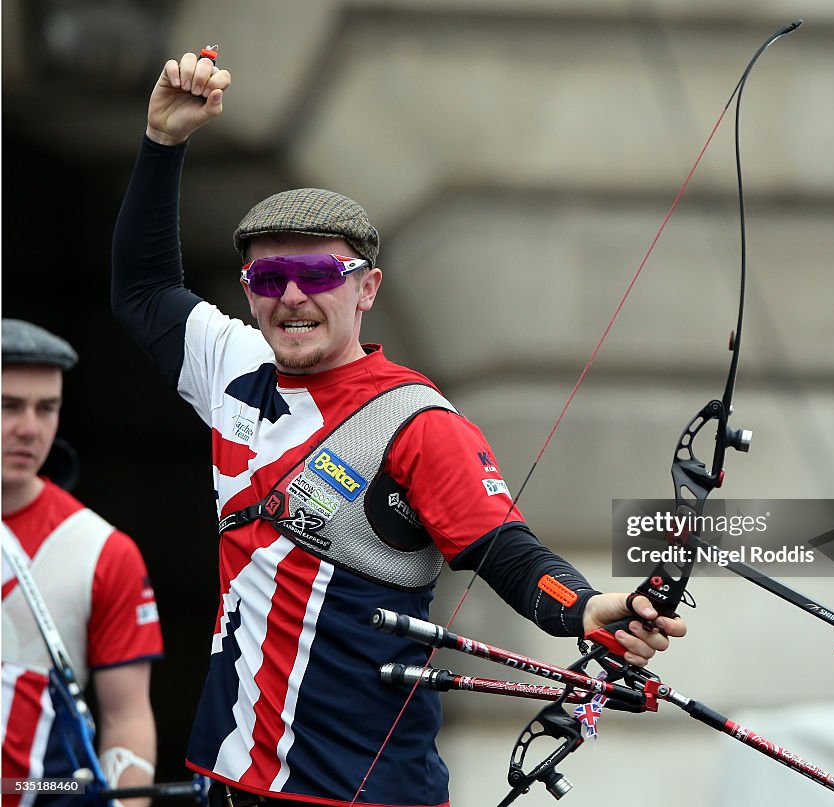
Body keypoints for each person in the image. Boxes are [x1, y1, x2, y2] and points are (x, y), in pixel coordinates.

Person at [111, 50, 686, 807]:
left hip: (366, 792)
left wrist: (583, 608)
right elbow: (145, 289)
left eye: (318, 276)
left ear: (367, 288)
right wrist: (162, 143)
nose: (291, 297)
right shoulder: (232, 365)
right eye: (267, 278)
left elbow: (502, 548)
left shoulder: (412, 420)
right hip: (230, 781)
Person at [2, 320, 164, 807]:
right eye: (8, 405)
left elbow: (126, 719)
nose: (30, 428)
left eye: (47, 408)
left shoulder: (102, 550)